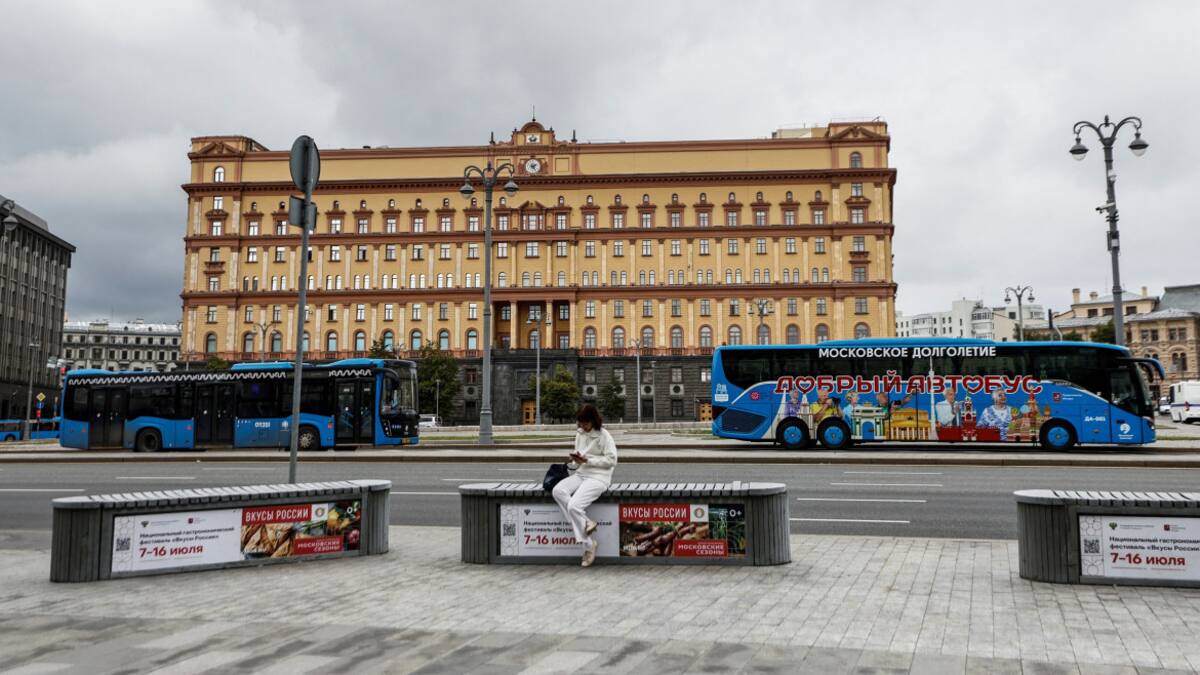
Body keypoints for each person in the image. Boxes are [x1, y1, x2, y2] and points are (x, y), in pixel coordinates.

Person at [551, 404, 618, 567]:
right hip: (582, 473)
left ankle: (588, 545)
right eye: (581, 423)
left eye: (586, 423)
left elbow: (612, 461)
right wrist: (576, 458)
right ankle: (587, 522)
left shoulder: (604, 435)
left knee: (574, 506)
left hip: (599, 477)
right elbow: (579, 455)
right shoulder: (579, 433)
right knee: (558, 490)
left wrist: (589, 460)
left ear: (593, 421)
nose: (583, 426)